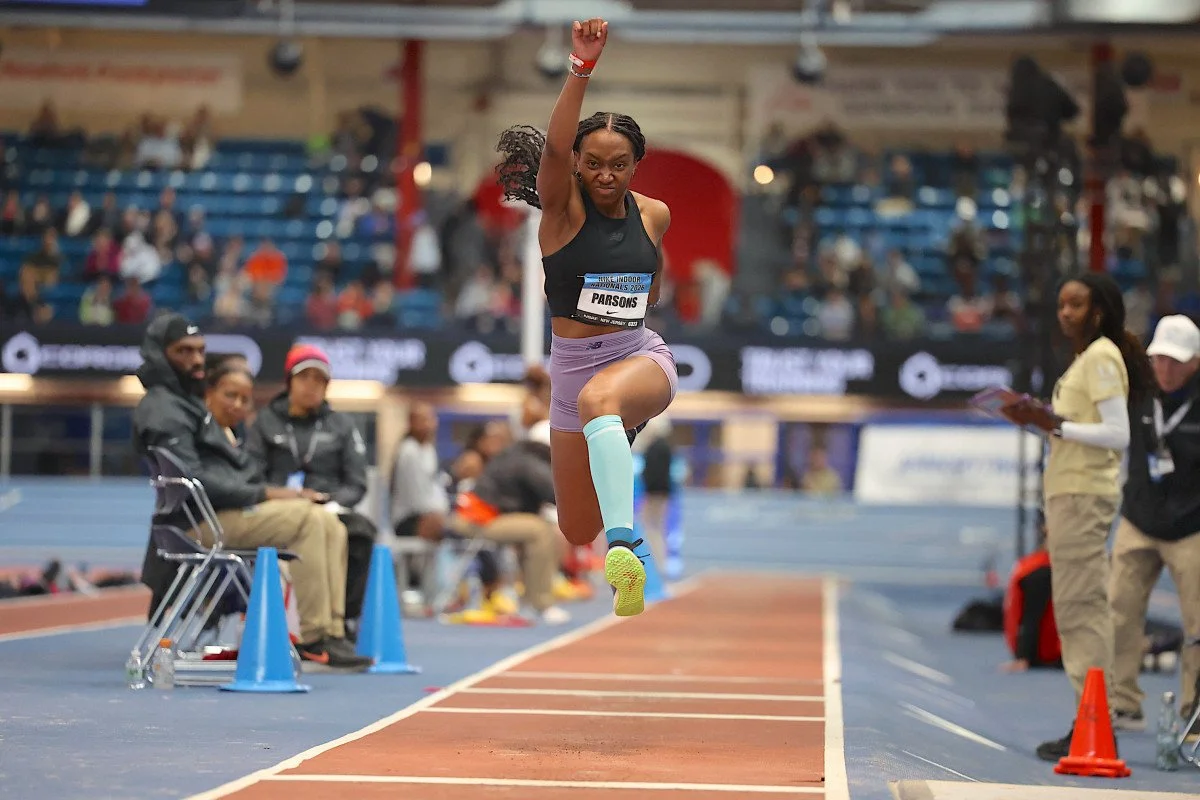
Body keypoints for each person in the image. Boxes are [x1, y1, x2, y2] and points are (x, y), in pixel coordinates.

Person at [496, 17, 677, 617]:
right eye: (593, 163)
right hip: (572, 371)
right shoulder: (560, 214)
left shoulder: (654, 216)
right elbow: (550, 149)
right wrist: (580, 67)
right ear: (574, 162)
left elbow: (651, 289)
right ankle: (615, 441)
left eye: (619, 164)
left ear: (636, 165)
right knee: (575, 527)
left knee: (605, 400)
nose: (605, 175)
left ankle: (626, 551)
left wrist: (622, 303)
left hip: (638, 358)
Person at [131, 313, 371, 670]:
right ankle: (317, 636)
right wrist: (269, 494)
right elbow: (198, 481)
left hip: (219, 514)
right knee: (308, 518)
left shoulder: (183, 402)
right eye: (184, 351)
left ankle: (333, 634)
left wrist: (267, 493)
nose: (196, 359)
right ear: (158, 354)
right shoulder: (164, 407)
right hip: (199, 523)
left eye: (200, 350)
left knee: (330, 522)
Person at [1000, 272, 1152, 761]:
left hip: (1085, 495)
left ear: (1099, 311)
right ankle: (1091, 716)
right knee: (1075, 608)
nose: (1065, 312)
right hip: (1071, 493)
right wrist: (1041, 421)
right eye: (1062, 304)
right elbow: (1076, 431)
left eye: (1076, 304)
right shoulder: (1086, 360)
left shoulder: (1102, 356)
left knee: (1082, 608)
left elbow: (1117, 433)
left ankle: (1094, 720)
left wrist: (1056, 423)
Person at [244, 345, 377, 640]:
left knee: (362, 533)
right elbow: (251, 475)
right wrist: (281, 497)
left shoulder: (342, 425)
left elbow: (357, 482)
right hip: (278, 509)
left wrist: (331, 505)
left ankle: (342, 621)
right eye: (305, 377)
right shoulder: (265, 422)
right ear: (289, 381)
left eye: (320, 380)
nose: (312, 385)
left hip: (329, 507)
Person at [1109, 314, 1200, 735]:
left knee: (1198, 626)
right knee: (1119, 613)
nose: (1165, 370)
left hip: (1192, 527)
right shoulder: (1138, 393)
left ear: (1196, 361)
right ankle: (1121, 703)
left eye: (1176, 362)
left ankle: (1192, 714)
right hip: (1139, 520)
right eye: (1159, 360)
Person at [449, 438, 572, 625]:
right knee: (540, 531)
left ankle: (531, 601)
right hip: (476, 521)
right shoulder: (529, 462)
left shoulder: (518, 454)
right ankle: (541, 604)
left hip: (483, 518)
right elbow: (556, 494)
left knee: (538, 528)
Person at [1000, 519, 1062, 673]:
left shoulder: (1032, 564)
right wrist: (1023, 656)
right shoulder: (1041, 571)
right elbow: (1031, 616)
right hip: (1046, 652)